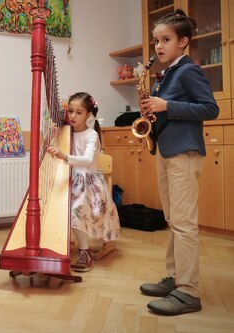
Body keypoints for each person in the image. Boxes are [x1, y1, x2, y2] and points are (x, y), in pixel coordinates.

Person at [138, 10, 219, 315]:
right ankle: (175, 277)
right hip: (168, 151)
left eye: (166, 39)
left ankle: (188, 291)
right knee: (174, 220)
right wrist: (151, 112)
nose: (158, 46)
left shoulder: (188, 71)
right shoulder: (166, 75)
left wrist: (167, 105)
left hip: (184, 152)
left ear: (183, 42)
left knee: (183, 224)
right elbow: (164, 112)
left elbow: (210, 109)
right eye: (156, 40)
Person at [47, 92, 120, 272]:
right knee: (53, 205)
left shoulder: (92, 135)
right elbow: (48, 148)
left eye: (78, 112)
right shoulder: (65, 132)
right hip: (69, 179)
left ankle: (85, 252)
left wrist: (64, 156)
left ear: (88, 115)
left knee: (74, 211)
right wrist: (50, 135)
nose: (72, 116)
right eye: (70, 111)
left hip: (88, 184)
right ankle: (54, 245)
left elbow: (87, 161)